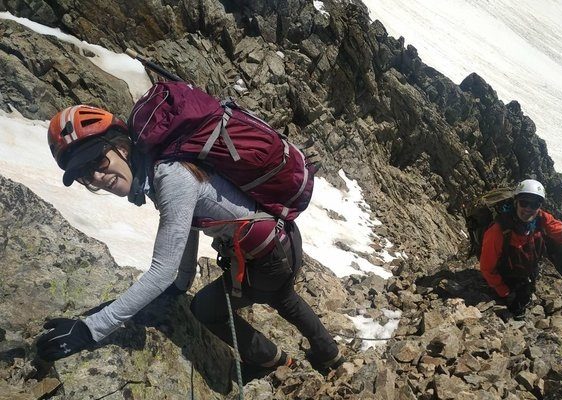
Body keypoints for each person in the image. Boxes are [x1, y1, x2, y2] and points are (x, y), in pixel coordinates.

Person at [37, 105, 343, 373]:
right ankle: (329, 354)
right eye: (85, 175)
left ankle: (270, 361)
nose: (97, 177)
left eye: (98, 162)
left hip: (265, 259)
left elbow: (161, 271)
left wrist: (91, 330)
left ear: (122, 148)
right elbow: (189, 228)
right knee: (283, 296)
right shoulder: (166, 168)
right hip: (281, 241)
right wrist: (182, 281)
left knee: (206, 310)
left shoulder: (171, 177)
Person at [479, 179, 562, 318]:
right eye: (524, 202)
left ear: (539, 207)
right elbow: (487, 268)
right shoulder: (498, 231)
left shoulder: (541, 218)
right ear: (516, 202)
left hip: (527, 272)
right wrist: (504, 292)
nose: (529, 208)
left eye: (535, 204)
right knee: (517, 311)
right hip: (506, 278)